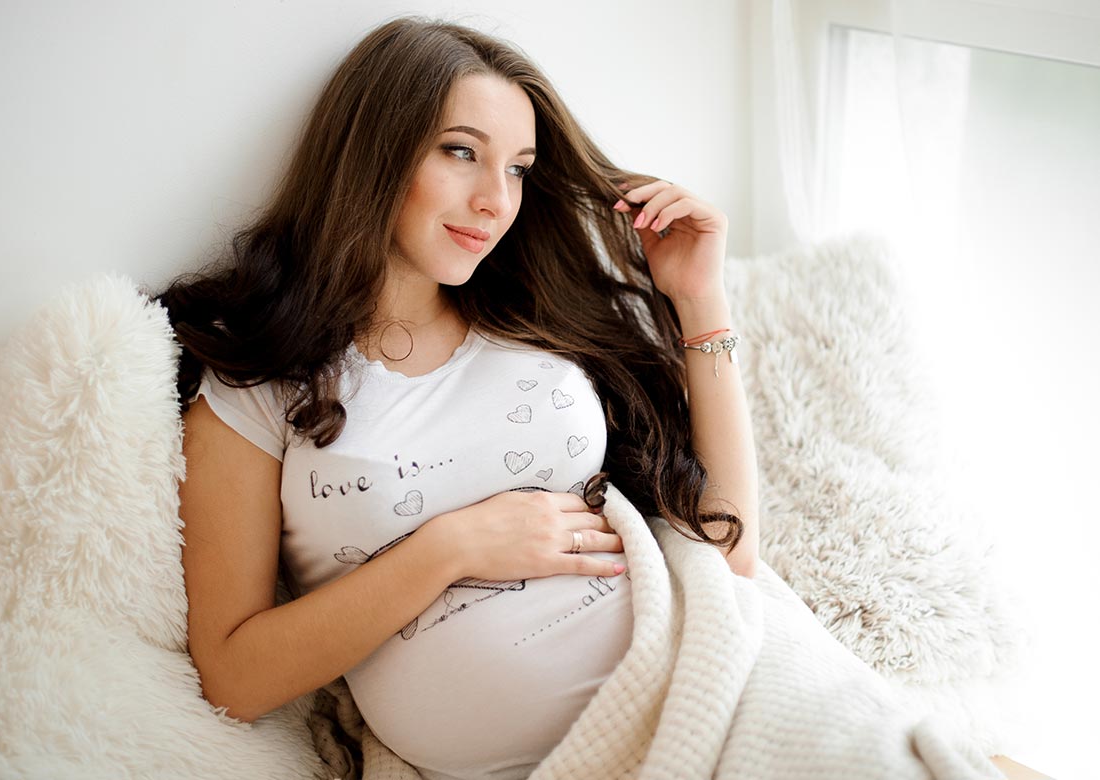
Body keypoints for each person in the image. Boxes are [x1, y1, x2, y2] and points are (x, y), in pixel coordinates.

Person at [157, 15, 1040, 780]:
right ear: (376, 153)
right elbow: (234, 675)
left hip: (713, 662)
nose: (494, 201)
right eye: (461, 153)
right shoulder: (260, 381)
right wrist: (452, 546)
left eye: (519, 170)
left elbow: (723, 552)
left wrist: (699, 299)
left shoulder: (535, 321)